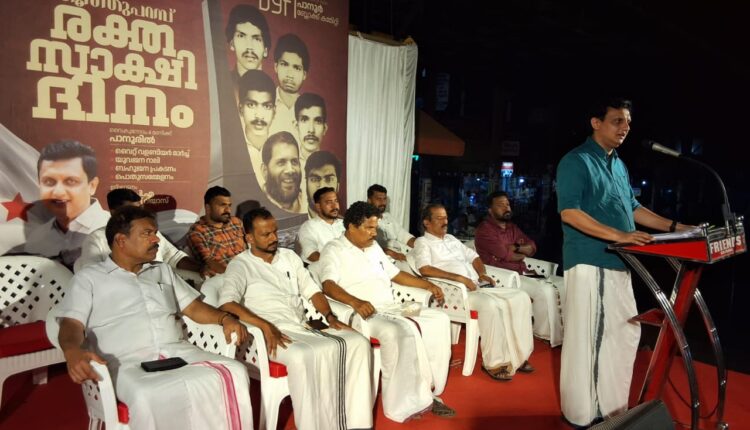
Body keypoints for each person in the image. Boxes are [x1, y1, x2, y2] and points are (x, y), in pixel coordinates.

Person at [556, 98, 692, 427]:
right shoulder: (576, 161)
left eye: (628, 122)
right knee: (593, 341)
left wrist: (678, 228)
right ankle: (586, 415)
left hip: (620, 262)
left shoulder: (617, 163)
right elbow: (570, 212)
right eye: (617, 120)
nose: (625, 128)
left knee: (623, 336)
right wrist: (619, 235)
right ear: (596, 123)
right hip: (592, 261)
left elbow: (634, 209)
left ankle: (611, 410)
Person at [56, 205, 253, 429]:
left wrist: (224, 318)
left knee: (235, 371)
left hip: (177, 352)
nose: (156, 239)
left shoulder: (162, 270)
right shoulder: (88, 279)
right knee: (148, 394)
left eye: (155, 233)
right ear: (121, 240)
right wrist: (72, 351)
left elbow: (193, 308)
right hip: (125, 362)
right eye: (147, 233)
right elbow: (71, 324)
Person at [219, 208, 373, 430]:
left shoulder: (289, 257)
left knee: (358, 342)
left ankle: (356, 423)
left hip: (301, 325)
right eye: (266, 234)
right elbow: (227, 303)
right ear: (249, 238)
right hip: (267, 335)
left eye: (275, 232)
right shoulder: (240, 264)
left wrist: (329, 316)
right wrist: (265, 326)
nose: (273, 238)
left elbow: (313, 291)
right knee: (303, 356)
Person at [318, 201, 455, 422]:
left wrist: (427, 285)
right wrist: (355, 301)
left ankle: (429, 388)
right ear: (351, 226)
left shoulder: (373, 247)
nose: (374, 233)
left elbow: (395, 274)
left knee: (437, 319)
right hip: (365, 313)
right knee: (397, 332)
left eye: (375, 228)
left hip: (393, 306)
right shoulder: (333, 249)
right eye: (369, 228)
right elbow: (328, 285)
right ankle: (402, 404)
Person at [413, 204, 535, 380]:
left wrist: (482, 273)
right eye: (439, 218)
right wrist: (459, 278)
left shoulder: (451, 239)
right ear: (427, 222)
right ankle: (494, 362)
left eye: (446, 217)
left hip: (478, 286)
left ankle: (519, 355)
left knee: (520, 297)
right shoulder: (422, 243)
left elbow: (474, 257)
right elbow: (424, 269)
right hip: (457, 294)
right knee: (490, 306)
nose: (445, 221)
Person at [475, 191, 566, 347]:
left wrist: (516, 247)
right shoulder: (485, 230)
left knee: (563, 285)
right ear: (490, 210)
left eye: (507, 204)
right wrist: (516, 252)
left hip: (522, 273)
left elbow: (532, 248)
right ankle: (544, 333)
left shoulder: (512, 228)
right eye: (500, 205)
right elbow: (506, 255)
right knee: (545, 291)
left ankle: (561, 333)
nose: (506, 208)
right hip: (503, 277)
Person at [25, 140, 109, 268]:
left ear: (92, 186)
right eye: (49, 181)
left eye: (70, 181)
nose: (58, 192)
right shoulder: (37, 238)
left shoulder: (115, 231)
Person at [74, 189, 201, 274]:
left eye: (139, 209)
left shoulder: (152, 234)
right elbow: (92, 276)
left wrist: (202, 269)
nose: (138, 214)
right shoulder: (96, 239)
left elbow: (174, 257)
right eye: (131, 211)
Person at [187, 186, 246, 278]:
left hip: (251, 271)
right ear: (208, 207)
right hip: (227, 279)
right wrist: (237, 276)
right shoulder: (197, 231)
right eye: (222, 205)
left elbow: (250, 249)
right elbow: (209, 263)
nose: (228, 210)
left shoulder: (236, 222)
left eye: (229, 205)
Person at [238, 70, 276, 188]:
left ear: (274, 111)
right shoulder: (230, 150)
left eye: (266, 106)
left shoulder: (283, 149)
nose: (259, 115)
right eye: (251, 105)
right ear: (241, 109)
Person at [268, 34, 310, 138]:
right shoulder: (264, 104)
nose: (290, 74)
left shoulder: (309, 112)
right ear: (276, 67)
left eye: (296, 68)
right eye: (284, 64)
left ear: (304, 74)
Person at [366, 184, 415, 261]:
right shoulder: (365, 220)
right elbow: (368, 245)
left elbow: (406, 237)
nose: (382, 202)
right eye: (378, 199)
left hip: (405, 254)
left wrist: (421, 244)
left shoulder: (388, 217)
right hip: (386, 258)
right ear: (369, 200)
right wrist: (392, 253)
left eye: (384, 199)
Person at [297, 187, 344, 263]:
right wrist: (336, 263)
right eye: (329, 202)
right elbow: (311, 254)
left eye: (336, 201)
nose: (335, 206)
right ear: (318, 207)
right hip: (322, 267)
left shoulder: (344, 223)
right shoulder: (309, 227)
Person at [261, 131, 305, 213]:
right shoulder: (255, 208)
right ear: (265, 171)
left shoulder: (311, 204)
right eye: (281, 162)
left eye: (294, 162)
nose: (290, 170)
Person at [225, 4, 270, 78]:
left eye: (256, 39)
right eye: (241, 36)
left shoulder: (273, 85)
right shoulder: (221, 80)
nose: (249, 46)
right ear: (232, 44)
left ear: (265, 50)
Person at [304, 150, 341, 218]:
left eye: (329, 179)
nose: (322, 186)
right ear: (306, 184)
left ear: (338, 186)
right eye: (314, 179)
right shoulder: (292, 224)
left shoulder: (346, 223)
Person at [293, 93, 327, 165]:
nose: (311, 130)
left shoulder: (330, 166)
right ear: (296, 126)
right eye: (304, 120)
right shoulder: (289, 165)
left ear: (325, 128)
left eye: (318, 121)